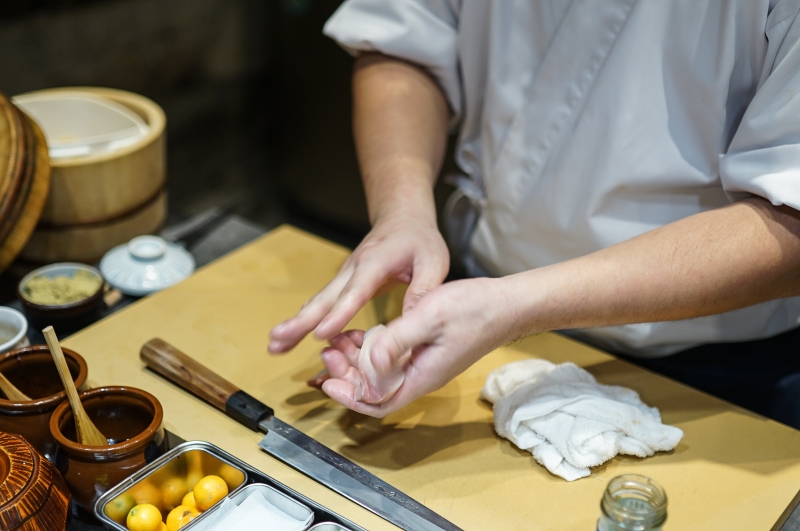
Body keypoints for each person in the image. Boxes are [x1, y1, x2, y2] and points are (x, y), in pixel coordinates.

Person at [269, 1, 800, 425]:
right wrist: (401, 211)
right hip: (479, 304)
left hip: (710, 363)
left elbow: (790, 217)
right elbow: (405, 38)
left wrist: (508, 307)